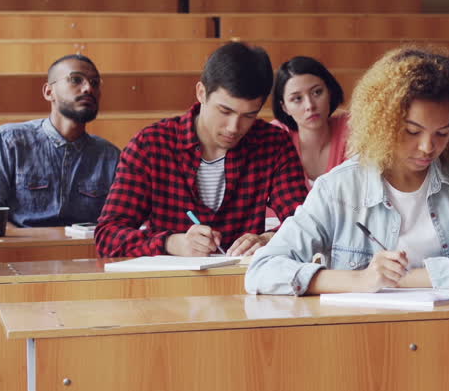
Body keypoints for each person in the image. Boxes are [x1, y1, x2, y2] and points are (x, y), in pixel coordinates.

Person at [247, 46, 449, 294]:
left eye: (443, 132)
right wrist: (360, 279)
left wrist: (399, 280)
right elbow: (262, 270)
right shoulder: (339, 187)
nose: (428, 147)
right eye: (412, 131)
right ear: (383, 121)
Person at [96, 42, 308, 257]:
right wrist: (170, 243)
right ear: (201, 93)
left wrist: (268, 240)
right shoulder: (151, 145)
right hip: (168, 284)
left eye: (249, 115)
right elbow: (107, 236)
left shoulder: (273, 143)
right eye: (225, 110)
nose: (234, 128)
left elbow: (304, 224)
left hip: (245, 282)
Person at [0, 54, 120, 229]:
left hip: (88, 252)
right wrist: (33, 249)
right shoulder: (9, 140)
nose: (88, 89)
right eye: (76, 80)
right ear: (49, 92)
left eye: (95, 83)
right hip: (19, 252)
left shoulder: (110, 155)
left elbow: (121, 222)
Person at [271, 56, 351, 188]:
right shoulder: (275, 137)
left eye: (317, 92)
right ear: (284, 107)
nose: (310, 105)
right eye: (297, 98)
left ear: (329, 92)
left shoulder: (351, 128)